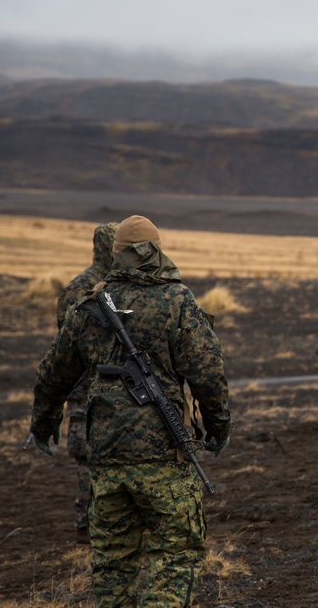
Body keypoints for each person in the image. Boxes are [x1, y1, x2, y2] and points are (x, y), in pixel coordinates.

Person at [27, 215, 233, 606]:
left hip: (105, 456)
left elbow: (53, 375)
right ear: (155, 251)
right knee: (175, 556)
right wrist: (219, 428)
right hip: (164, 458)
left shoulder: (88, 307)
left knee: (113, 564)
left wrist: (42, 424)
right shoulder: (176, 301)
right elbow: (208, 375)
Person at [55, 221, 118, 544]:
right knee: (88, 455)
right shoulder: (95, 287)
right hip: (89, 386)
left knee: (95, 454)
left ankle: (93, 522)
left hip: (95, 385)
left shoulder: (82, 286)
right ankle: (86, 523)